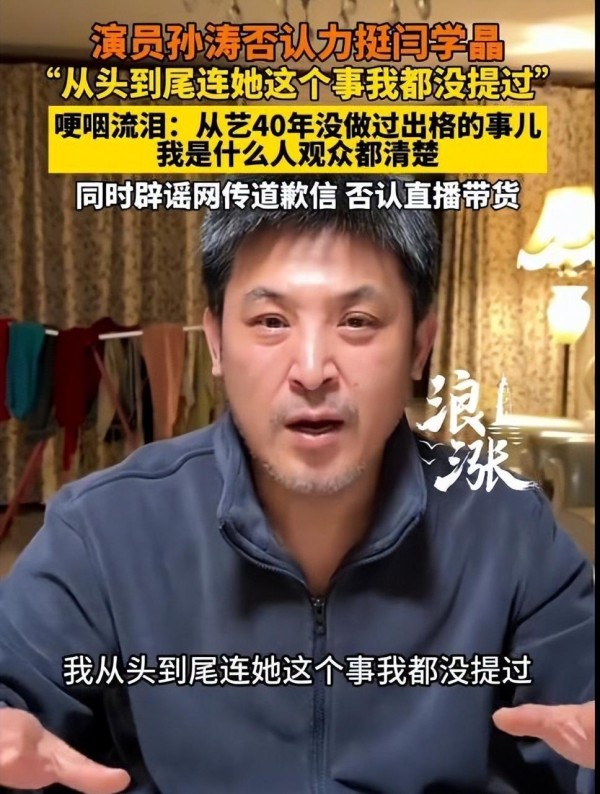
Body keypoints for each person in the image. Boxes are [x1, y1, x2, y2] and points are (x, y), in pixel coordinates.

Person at [0, 174, 594, 793]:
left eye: (357, 320)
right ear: (216, 342)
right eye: (271, 321)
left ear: (420, 345)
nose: (312, 371)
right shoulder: (105, 529)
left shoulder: (510, 531)